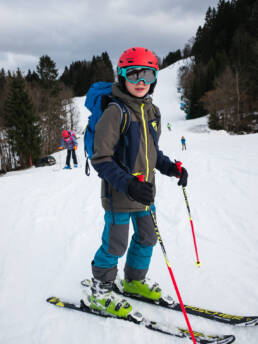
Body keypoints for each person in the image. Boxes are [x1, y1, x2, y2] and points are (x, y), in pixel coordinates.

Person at [83, 47, 188, 318]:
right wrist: (128, 184)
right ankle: (100, 289)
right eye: (134, 73)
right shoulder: (115, 112)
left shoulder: (152, 111)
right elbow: (101, 158)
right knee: (115, 244)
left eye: (148, 74)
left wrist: (171, 168)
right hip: (119, 194)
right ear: (122, 76)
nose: (141, 81)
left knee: (147, 238)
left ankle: (133, 281)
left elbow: (152, 153)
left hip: (144, 195)